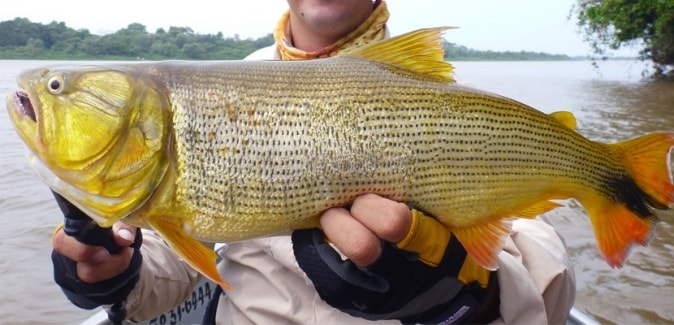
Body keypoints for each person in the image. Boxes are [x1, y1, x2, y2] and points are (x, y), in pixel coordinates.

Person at [51, 1, 576, 324]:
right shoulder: (209, 94)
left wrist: (461, 299)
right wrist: (118, 272)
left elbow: (546, 279)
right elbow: (177, 264)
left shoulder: (453, 103)